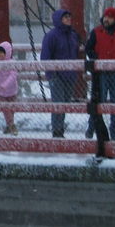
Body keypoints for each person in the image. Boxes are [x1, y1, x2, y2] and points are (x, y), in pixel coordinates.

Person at [84, 6, 115, 141]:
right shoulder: (96, 32)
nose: (106, 19)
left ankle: (114, 132)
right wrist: (96, 59)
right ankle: (92, 128)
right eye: (106, 17)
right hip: (101, 72)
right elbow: (89, 48)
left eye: (110, 17)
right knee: (99, 101)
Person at [40, 8, 81, 138]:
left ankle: (60, 128)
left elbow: (75, 53)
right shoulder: (51, 36)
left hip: (70, 75)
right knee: (58, 103)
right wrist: (52, 74)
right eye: (65, 17)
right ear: (59, 20)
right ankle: (57, 130)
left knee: (65, 103)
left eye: (69, 17)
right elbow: (45, 57)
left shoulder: (73, 35)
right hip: (57, 75)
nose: (69, 19)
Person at [0, 41, 20, 135]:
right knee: (5, 109)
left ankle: (9, 125)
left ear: (7, 53)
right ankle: (12, 125)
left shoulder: (12, 63)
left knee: (11, 109)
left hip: (11, 90)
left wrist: (5, 85)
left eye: (2, 52)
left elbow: (13, 75)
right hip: (0, 91)